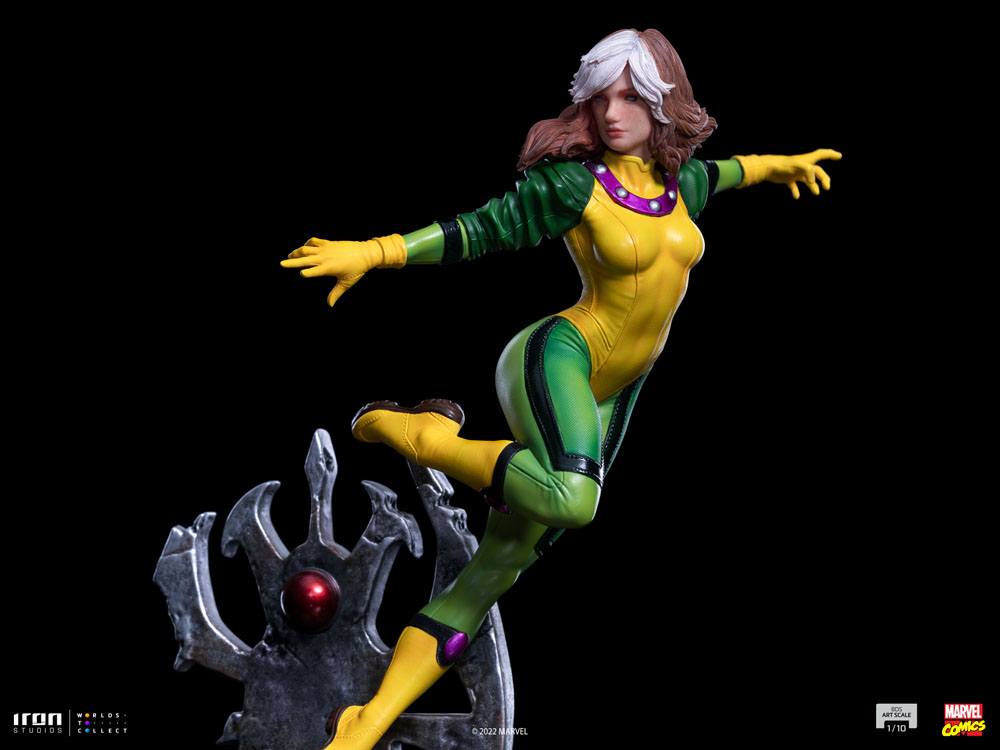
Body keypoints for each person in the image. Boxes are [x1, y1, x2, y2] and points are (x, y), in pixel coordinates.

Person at [281, 27, 840, 750]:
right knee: (575, 500)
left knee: (496, 568)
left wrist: (780, 165)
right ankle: (424, 436)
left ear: (662, 100)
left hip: (614, 391)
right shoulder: (578, 185)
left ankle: (368, 721)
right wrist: (375, 251)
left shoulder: (682, 184)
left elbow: (731, 171)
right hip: (557, 358)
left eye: (631, 96)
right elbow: (482, 229)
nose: (612, 113)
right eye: (601, 97)